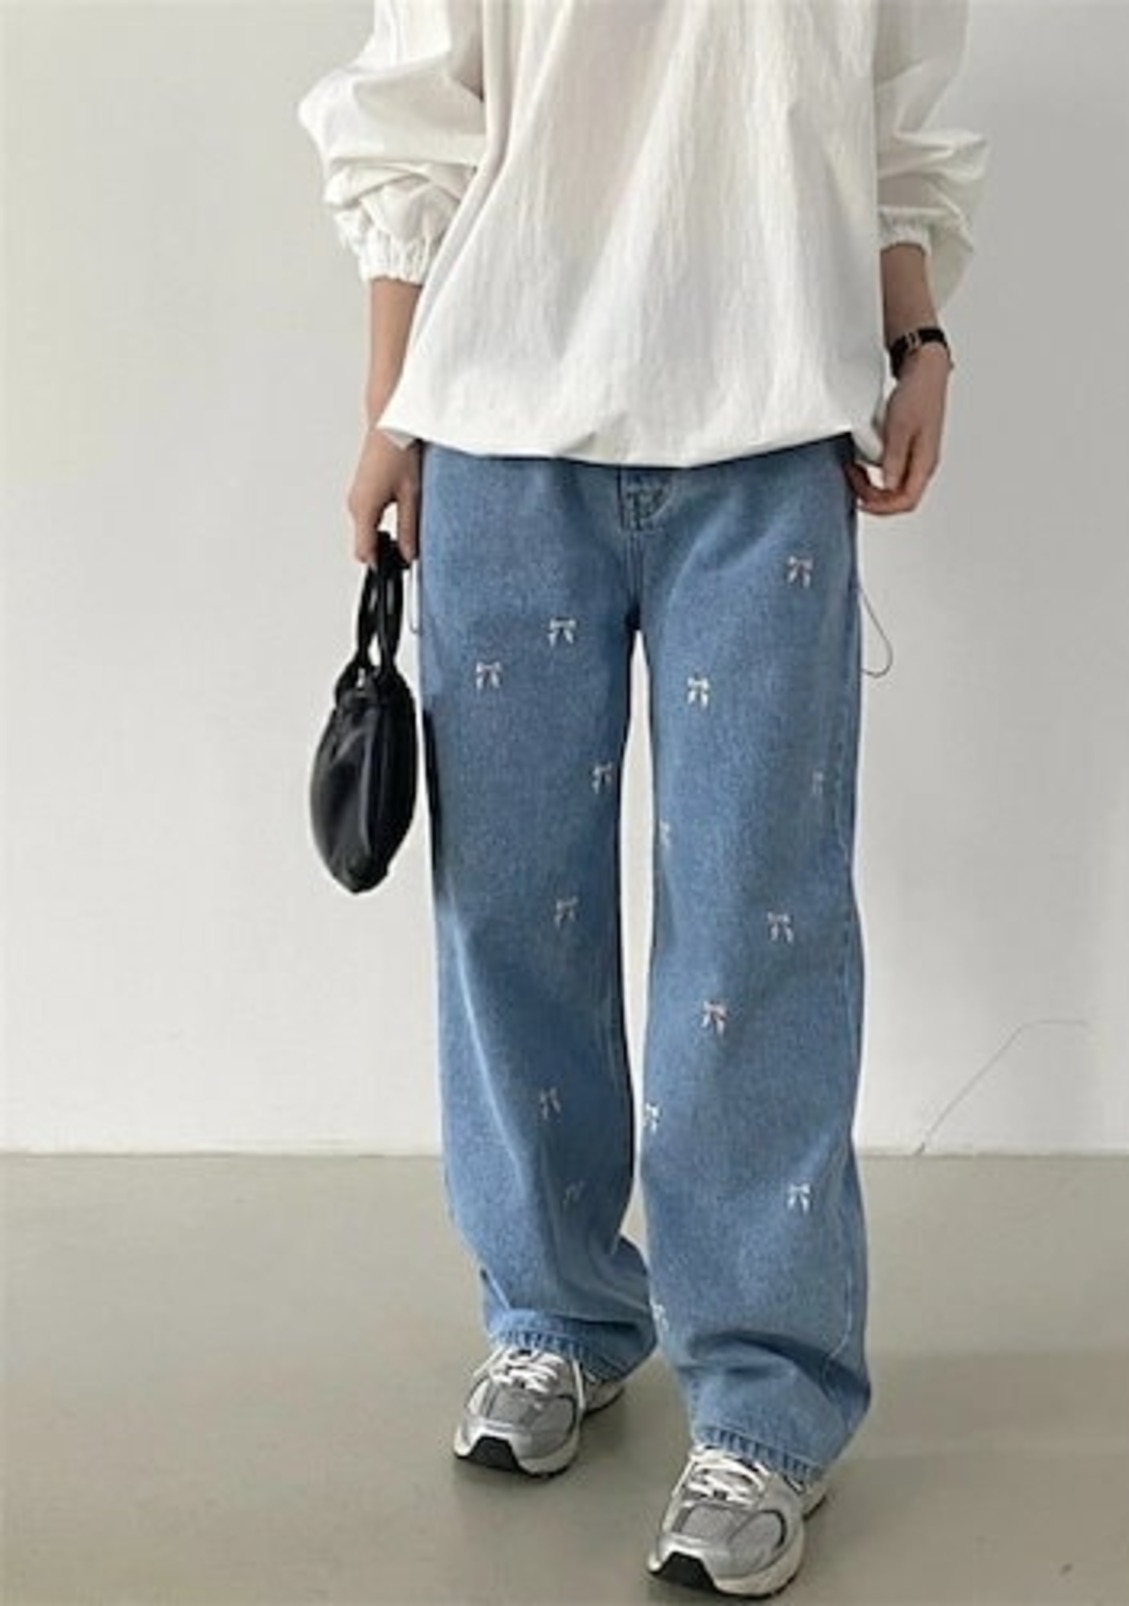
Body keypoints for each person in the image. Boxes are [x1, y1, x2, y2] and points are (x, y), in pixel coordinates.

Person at [298, 1, 987, 1595]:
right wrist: (390, 409)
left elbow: (891, 99)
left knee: (759, 924)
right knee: (507, 910)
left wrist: (920, 336)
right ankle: (554, 1312)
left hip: (772, 420)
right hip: (499, 422)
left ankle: (765, 1397)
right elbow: (418, 104)